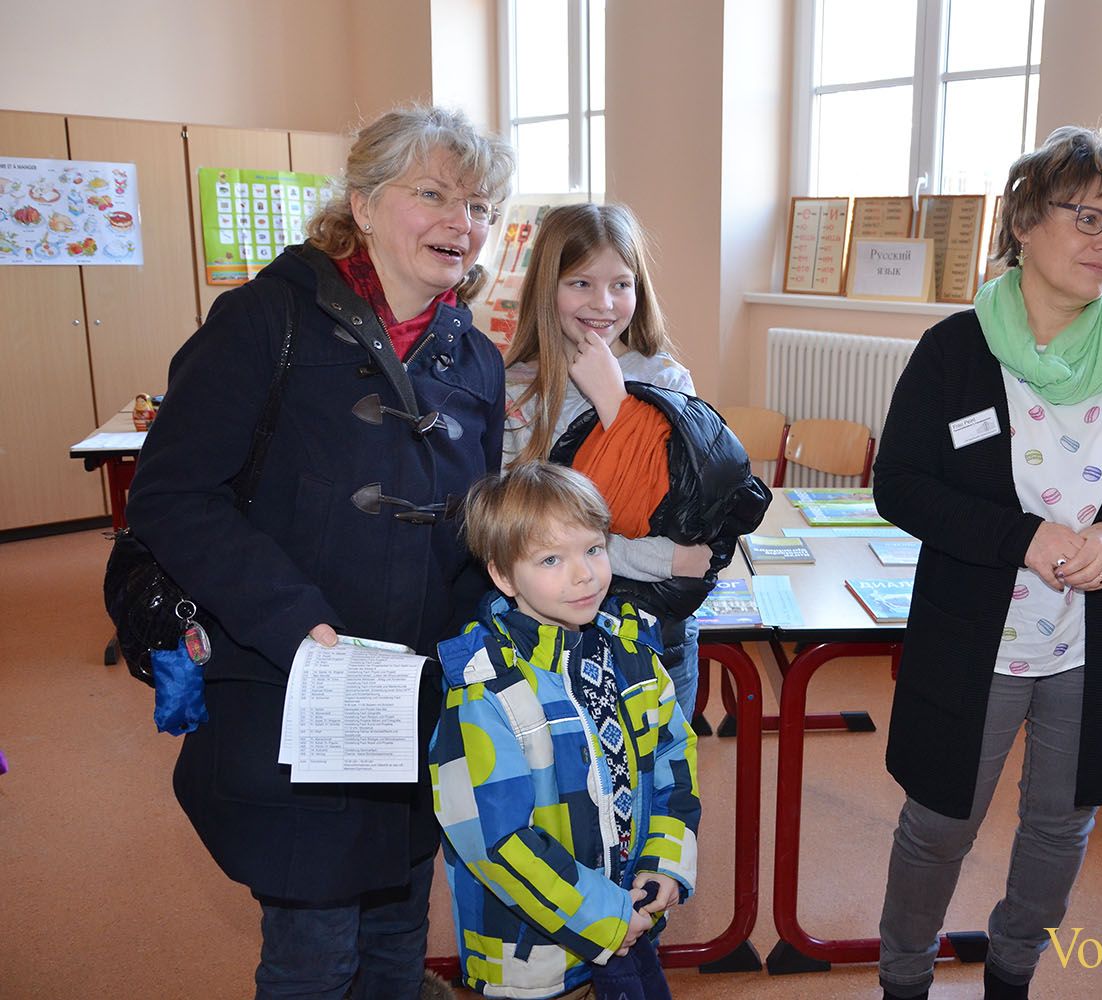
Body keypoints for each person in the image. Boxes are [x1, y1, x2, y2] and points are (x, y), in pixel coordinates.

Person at [126, 105, 514, 999]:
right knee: (314, 955)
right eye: (434, 194)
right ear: (364, 204)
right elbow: (174, 496)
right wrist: (297, 621)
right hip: (289, 686)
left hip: (410, 699)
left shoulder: (476, 361)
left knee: (395, 943)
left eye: (481, 204)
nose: (463, 221)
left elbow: (463, 526)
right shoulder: (265, 321)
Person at [873, 125, 1102, 1000]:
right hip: (976, 639)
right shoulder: (954, 352)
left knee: (1061, 825)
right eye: (1091, 218)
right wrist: (1019, 537)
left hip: (1094, 645)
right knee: (940, 823)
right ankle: (903, 979)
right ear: (1025, 220)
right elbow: (902, 485)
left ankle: (1012, 973)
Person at [431, 461, 700, 999]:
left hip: (630, 914)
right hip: (532, 955)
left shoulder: (631, 653)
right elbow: (497, 841)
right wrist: (604, 917)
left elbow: (674, 760)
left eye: (593, 549)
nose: (582, 574)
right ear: (504, 576)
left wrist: (664, 865)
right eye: (551, 559)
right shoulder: (485, 689)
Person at [502, 202, 754, 727]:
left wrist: (615, 401)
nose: (604, 303)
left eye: (621, 284)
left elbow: (694, 524)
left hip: (660, 636)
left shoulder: (667, 380)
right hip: (555, 640)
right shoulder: (517, 393)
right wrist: (661, 560)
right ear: (547, 285)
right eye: (580, 283)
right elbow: (530, 539)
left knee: (665, 786)